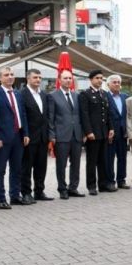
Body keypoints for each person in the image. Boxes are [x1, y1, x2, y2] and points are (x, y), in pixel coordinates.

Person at [0, 66, 29, 209]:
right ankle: (0, 199)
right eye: (6, 75)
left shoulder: (18, 94)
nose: (10, 77)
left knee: (17, 168)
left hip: (18, 137)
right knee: (0, 170)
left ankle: (15, 196)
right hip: (3, 138)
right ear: (0, 78)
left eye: (12, 74)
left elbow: (22, 114)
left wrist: (26, 133)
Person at [48, 69, 85, 199]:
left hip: (77, 135)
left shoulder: (77, 95)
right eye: (65, 78)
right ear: (59, 80)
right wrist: (52, 135)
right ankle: (62, 189)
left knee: (76, 163)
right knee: (61, 164)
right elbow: (50, 117)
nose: (68, 80)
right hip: (61, 135)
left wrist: (83, 133)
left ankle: (73, 188)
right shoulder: (52, 96)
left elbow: (80, 116)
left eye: (70, 78)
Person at [79, 69, 115, 196]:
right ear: (91, 79)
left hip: (104, 132)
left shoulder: (104, 94)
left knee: (103, 160)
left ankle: (103, 184)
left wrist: (111, 128)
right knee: (92, 161)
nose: (100, 80)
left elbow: (107, 113)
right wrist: (88, 131)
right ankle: (91, 186)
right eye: (97, 78)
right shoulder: (85, 94)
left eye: (101, 78)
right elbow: (84, 115)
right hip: (93, 134)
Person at [20, 68, 53, 203]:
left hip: (43, 137)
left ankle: (39, 191)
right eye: (35, 77)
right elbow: (22, 116)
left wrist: (49, 135)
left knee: (41, 166)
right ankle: (26, 193)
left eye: (40, 77)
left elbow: (46, 116)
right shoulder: (22, 94)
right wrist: (25, 134)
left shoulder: (44, 95)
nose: (38, 80)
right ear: (28, 78)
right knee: (27, 167)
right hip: (29, 137)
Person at [106, 74, 129, 190]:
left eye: (118, 82)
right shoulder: (105, 96)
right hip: (110, 133)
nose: (117, 84)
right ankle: (110, 181)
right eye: (114, 82)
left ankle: (121, 180)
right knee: (109, 158)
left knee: (122, 157)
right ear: (108, 84)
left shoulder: (125, 97)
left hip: (123, 132)